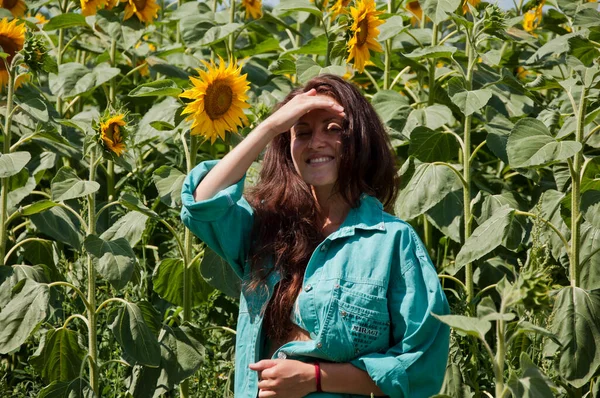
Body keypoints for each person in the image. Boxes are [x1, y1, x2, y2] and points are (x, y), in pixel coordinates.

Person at [180, 74, 450, 398]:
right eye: (302, 132)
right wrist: (270, 127)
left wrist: (316, 378)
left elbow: (421, 367)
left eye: (332, 129)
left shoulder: (392, 243)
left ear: (360, 138)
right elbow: (202, 204)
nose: (315, 142)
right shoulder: (266, 232)